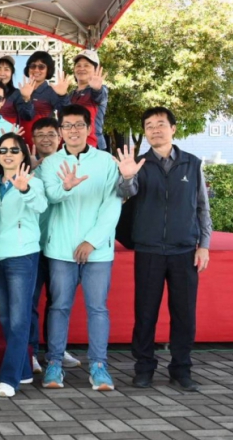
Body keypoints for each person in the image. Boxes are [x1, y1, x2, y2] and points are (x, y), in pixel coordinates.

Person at [115, 107, 211, 392]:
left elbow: (202, 208)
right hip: (149, 249)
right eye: (149, 125)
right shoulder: (140, 163)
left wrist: (203, 245)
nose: (155, 129)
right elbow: (124, 194)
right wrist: (128, 176)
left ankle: (181, 369)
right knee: (145, 313)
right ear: (144, 132)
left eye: (160, 124)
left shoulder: (192, 164)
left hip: (183, 251)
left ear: (173, 128)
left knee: (184, 313)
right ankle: (144, 368)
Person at [37, 104, 121, 391]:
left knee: (98, 308)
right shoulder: (49, 165)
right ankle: (54, 364)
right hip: (60, 250)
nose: (73, 131)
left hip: (97, 251)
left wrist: (91, 241)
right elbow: (49, 198)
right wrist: (67, 187)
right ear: (61, 131)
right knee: (59, 306)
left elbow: (112, 205)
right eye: (68, 126)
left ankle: (99, 366)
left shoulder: (107, 162)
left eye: (79, 125)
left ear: (88, 128)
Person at [0, 133, 47, 397]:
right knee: (5, 316)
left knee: (19, 319)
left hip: (22, 256)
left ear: (24, 154)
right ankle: (23, 370)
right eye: (3, 150)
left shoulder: (33, 181)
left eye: (14, 149)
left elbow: (41, 205)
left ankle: (10, 378)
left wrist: (23, 188)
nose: (8, 154)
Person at [27, 118, 82, 373]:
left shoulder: (71, 166)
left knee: (58, 300)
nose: (46, 139)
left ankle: (55, 351)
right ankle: (31, 352)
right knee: (30, 300)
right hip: (33, 246)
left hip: (61, 245)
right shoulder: (25, 168)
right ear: (33, 139)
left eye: (51, 134)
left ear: (60, 137)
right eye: (40, 135)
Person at [14, 51, 71, 148]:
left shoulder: (51, 91)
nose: (36, 70)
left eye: (41, 67)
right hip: (22, 142)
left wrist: (63, 95)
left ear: (48, 70)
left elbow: (66, 114)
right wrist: (26, 98)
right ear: (28, 69)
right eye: (33, 66)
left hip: (44, 143)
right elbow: (26, 116)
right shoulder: (21, 92)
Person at [70, 50, 108, 150]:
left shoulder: (100, 89)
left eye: (87, 65)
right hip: (73, 146)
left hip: (94, 147)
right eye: (78, 65)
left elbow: (99, 96)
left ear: (96, 70)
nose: (81, 68)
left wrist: (96, 89)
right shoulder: (72, 94)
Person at [0, 52, 21, 125]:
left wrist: (27, 99)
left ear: (11, 73)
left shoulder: (16, 94)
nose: (2, 73)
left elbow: (28, 116)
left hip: (9, 135)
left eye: (6, 69)